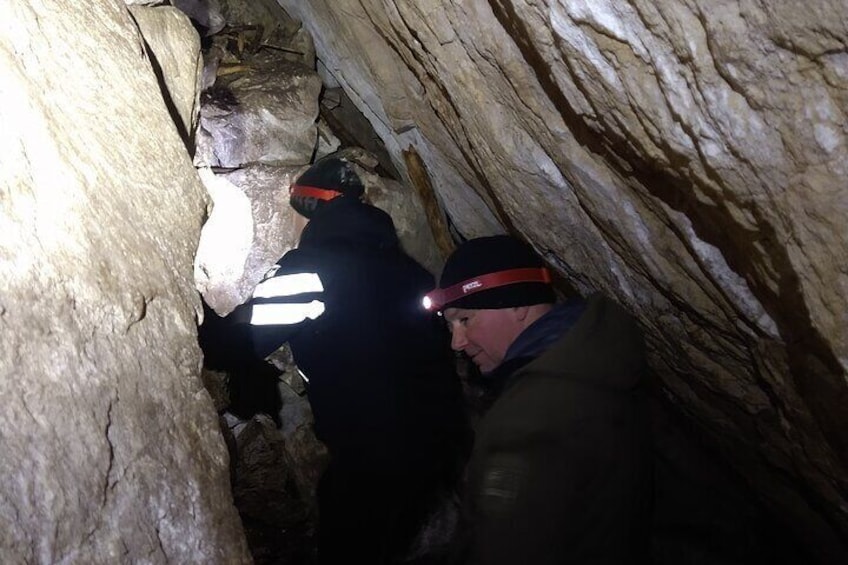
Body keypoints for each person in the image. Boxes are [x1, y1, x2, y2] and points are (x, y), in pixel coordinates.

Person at [247, 153, 470, 564]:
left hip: (369, 459)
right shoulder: (410, 273)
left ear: (309, 214)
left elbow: (245, 340)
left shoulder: (311, 266)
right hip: (438, 449)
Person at [423, 235, 653, 565]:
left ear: (517, 304)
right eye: (450, 326)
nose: (456, 342)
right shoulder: (591, 366)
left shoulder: (531, 419)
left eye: (465, 320)